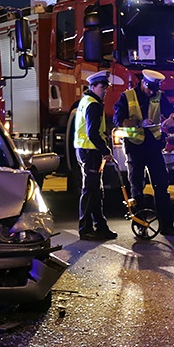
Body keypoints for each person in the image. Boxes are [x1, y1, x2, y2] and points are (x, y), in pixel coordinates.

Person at [112, 69, 174, 237]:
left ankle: (167, 226)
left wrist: (171, 119)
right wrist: (138, 122)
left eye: (154, 90)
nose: (151, 92)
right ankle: (141, 224)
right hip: (135, 148)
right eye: (149, 88)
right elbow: (117, 119)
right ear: (143, 83)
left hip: (154, 147)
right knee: (137, 187)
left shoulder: (158, 95)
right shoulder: (127, 97)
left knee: (161, 186)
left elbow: (172, 111)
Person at [74, 71, 117, 240]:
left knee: (95, 190)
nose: (104, 90)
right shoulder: (93, 104)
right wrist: (105, 151)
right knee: (91, 191)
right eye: (102, 87)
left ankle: (100, 226)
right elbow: (92, 133)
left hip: (85, 150)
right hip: (90, 151)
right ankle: (85, 229)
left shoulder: (87, 100)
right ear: (92, 86)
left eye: (106, 87)